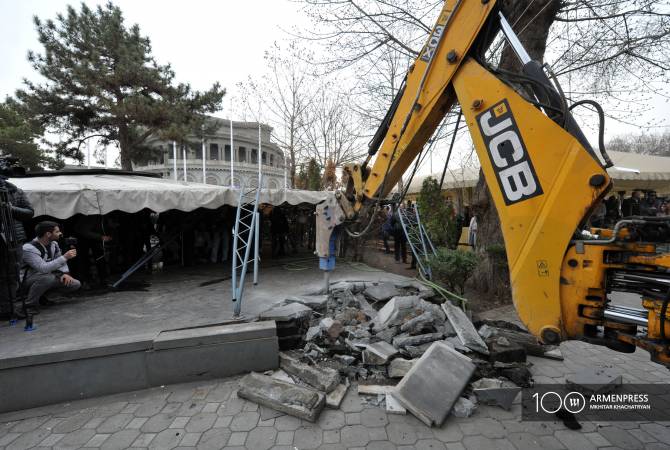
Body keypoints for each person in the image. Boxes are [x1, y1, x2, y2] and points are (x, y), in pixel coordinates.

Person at [21, 221, 80, 314]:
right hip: (26, 280)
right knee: (48, 278)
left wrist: (65, 274)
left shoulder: (54, 244)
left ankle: (41, 297)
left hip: (45, 276)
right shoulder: (29, 248)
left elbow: (60, 262)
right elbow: (43, 268)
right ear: (48, 234)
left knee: (74, 284)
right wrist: (65, 257)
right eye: (57, 232)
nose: (60, 233)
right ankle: (29, 305)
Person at [0, 159, 34, 319]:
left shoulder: (15, 191)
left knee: (13, 274)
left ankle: (10, 308)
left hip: (14, 239)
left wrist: (10, 209)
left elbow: (29, 212)